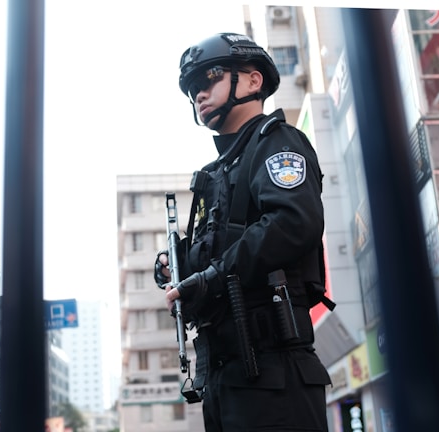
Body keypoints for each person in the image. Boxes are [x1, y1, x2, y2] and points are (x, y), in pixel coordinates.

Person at [154, 32, 333, 432]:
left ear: (253, 81)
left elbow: (293, 222)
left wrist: (212, 278)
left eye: (210, 77)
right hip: (223, 375)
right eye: (193, 88)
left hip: (274, 373)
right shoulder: (216, 173)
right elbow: (221, 250)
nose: (199, 93)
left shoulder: (279, 142)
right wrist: (178, 266)